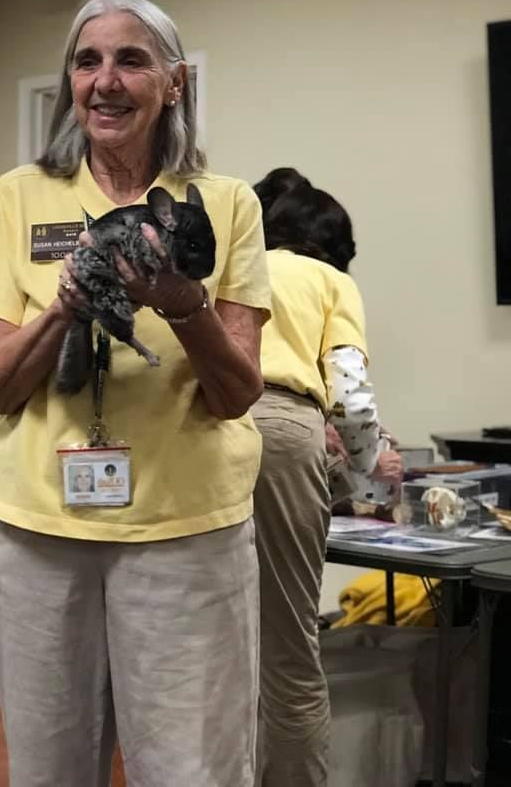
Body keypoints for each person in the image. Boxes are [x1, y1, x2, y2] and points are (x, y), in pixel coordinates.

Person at [0, 0, 270, 787]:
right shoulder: (19, 194)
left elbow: (238, 391)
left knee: (193, 768)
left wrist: (183, 303)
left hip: (185, 529)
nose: (105, 80)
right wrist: (63, 307)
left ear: (174, 84)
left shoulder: (226, 204)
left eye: (130, 59)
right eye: (86, 60)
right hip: (36, 530)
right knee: (49, 767)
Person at [251, 171, 402, 787]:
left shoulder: (243, 267)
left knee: (218, 644)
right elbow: (350, 396)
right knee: (289, 651)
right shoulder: (330, 281)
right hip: (279, 431)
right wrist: (373, 469)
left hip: (199, 431)